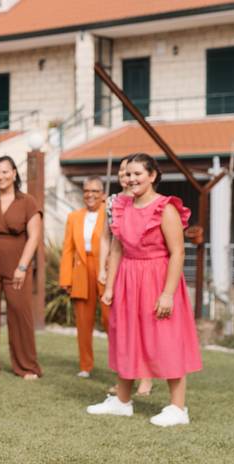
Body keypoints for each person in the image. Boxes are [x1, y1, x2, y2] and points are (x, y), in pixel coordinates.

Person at [87, 153, 203, 427]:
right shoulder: (122, 207)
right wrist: (110, 286)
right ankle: (122, 401)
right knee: (126, 337)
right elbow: (117, 248)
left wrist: (167, 294)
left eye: (137, 173)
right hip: (128, 279)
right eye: (128, 174)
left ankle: (178, 408)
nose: (131, 179)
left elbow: (177, 253)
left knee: (166, 339)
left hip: (158, 279)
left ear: (152, 176)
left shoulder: (166, 208)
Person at [0, 156, 43, 380]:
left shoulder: (28, 202)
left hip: (17, 266)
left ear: (14, 173)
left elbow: (34, 237)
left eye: (4, 172)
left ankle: (27, 367)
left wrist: (22, 266)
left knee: (20, 314)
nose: (0, 176)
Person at [99, 157, 153, 396]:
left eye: (129, 171)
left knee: (144, 323)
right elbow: (107, 237)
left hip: (142, 267)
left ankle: (146, 378)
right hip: (118, 266)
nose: (125, 175)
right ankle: (124, 377)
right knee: (121, 325)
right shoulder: (112, 202)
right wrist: (103, 268)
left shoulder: (147, 200)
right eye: (122, 171)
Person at [59, 176, 109, 378]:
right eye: (87, 191)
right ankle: (85, 365)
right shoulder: (74, 217)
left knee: (110, 318)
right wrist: (66, 278)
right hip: (81, 270)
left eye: (95, 191)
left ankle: (121, 364)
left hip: (105, 269)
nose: (90, 195)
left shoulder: (110, 213)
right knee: (83, 321)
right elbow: (68, 249)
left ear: (103, 195)